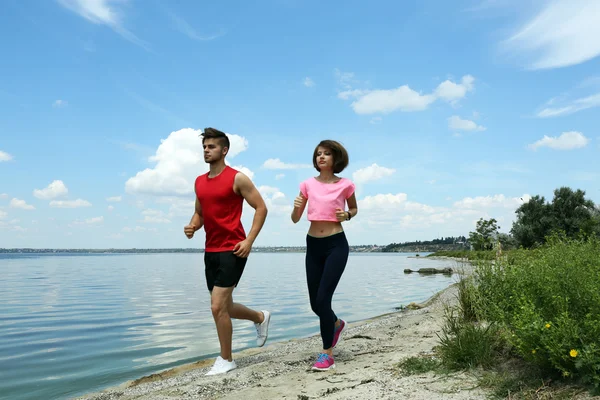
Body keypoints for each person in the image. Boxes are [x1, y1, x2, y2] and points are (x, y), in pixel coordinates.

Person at [184, 127, 271, 376]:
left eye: (211, 147)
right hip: (210, 250)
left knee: (216, 307)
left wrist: (249, 241)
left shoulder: (237, 178)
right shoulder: (199, 182)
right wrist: (192, 226)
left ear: (224, 150)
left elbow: (261, 208)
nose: (206, 151)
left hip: (233, 249)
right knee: (224, 306)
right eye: (204, 147)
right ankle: (260, 317)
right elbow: (200, 213)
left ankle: (226, 359)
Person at [291, 139, 358, 371]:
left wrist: (347, 215)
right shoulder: (307, 185)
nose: (321, 157)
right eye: (318, 154)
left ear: (336, 158)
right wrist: (297, 205)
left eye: (326, 154)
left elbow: (354, 209)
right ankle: (336, 323)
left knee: (323, 300)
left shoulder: (346, 184)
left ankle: (327, 354)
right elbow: (295, 218)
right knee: (314, 304)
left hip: (336, 245)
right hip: (313, 245)